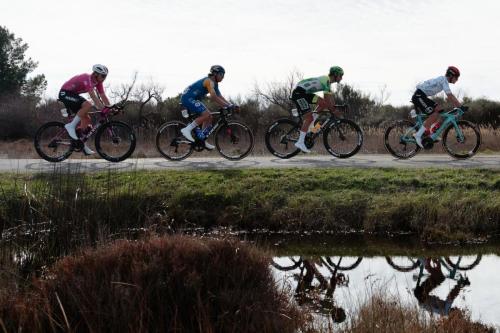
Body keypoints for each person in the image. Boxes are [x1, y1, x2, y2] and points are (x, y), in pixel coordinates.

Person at [180, 65, 235, 150]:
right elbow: (213, 97)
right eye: (221, 74)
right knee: (206, 114)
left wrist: (231, 105)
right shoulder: (209, 81)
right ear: (215, 74)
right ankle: (187, 130)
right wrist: (227, 106)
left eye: (224, 75)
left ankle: (202, 140)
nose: (223, 77)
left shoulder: (214, 84)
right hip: (188, 98)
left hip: (194, 99)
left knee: (209, 117)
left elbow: (220, 97)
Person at [290, 66, 344, 153]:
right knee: (309, 117)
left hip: (305, 93)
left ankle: (311, 125)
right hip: (299, 94)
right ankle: (300, 143)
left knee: (322, 104)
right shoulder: (326, 80)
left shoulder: (328, 83)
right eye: (340, 75)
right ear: (335, 74)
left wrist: (335, 107)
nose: (341, 78)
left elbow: (330, 99)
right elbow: (327, 99)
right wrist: (334, 111)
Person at [60, 64, 111, 155]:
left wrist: (110, 107)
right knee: (88, 104)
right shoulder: (87, 78)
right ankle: (71, 126)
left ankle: (81, 144)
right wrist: (102, 108)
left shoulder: (98, 83)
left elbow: (103, 96)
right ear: (95, 74)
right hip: (65, 93)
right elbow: (93, 96)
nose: (104, 78)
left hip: (73, 95)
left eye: (105, 76)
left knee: (87, 119)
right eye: (103, 76)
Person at [412, 66, 462, 148]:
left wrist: (457, 105)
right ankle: (418, 135)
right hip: (419, 96)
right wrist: (460, 106)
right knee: (434, 115)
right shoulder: (444, 80)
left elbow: (449, 96)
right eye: (456, 77)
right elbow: (450, 95)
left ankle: (430, 132)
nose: (457, 80)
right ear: (451, 76)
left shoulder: (443, 80)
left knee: (440, 110)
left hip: (422, 96)